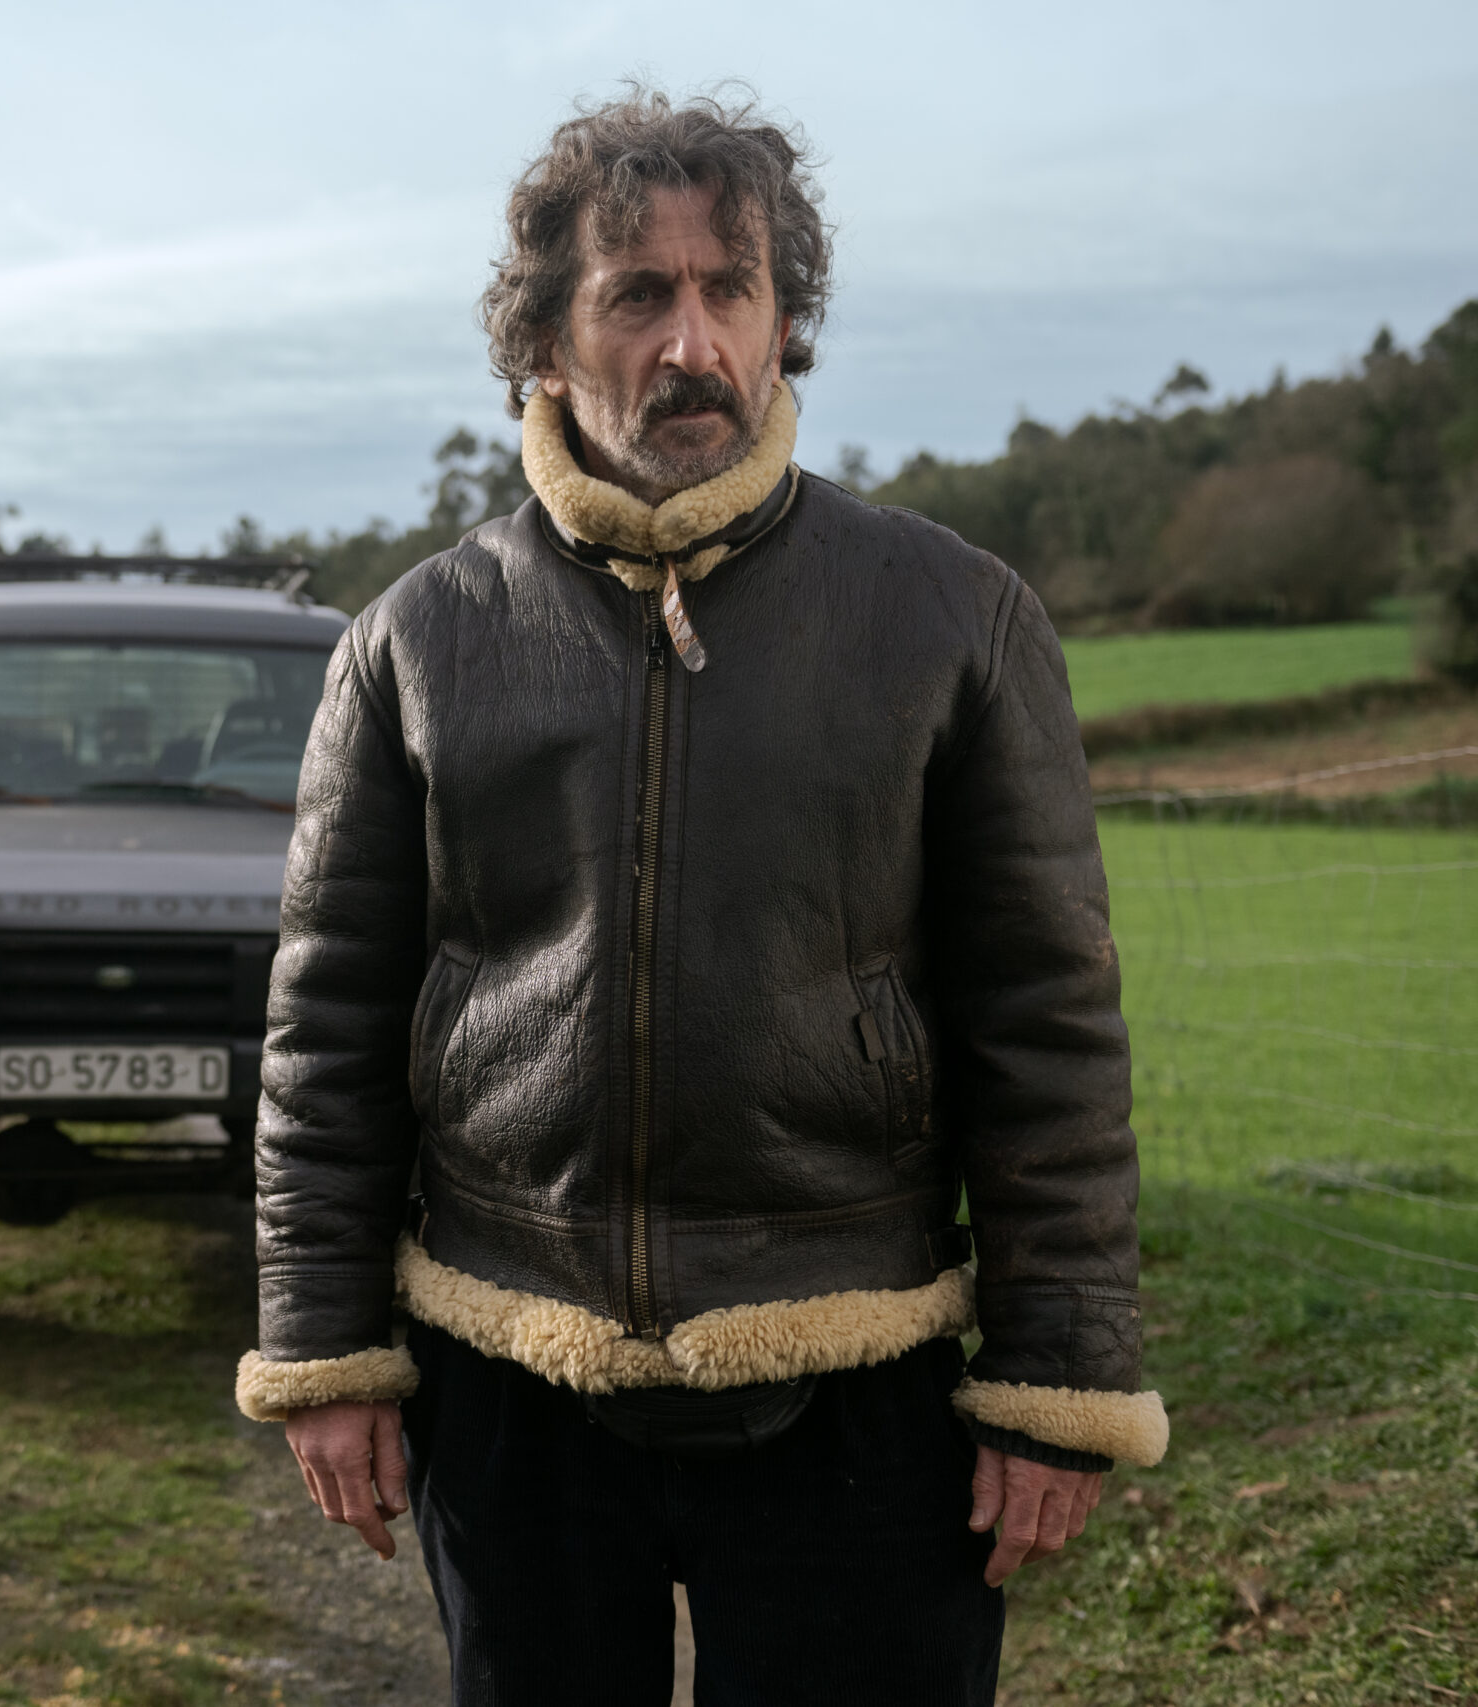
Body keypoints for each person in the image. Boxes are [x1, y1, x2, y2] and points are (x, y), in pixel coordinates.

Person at [234, 88, 1169, 1705]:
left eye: (730, 288)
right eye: (638, 295)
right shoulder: (415, 642)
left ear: (784, 320)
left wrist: (1056, 1369)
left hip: (857, 1367)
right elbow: (328, 1025)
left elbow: (1050, 1020)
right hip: (512, 1371)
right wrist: (324, 1347)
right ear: (545, 339)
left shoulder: (952, 617)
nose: (692, 343)